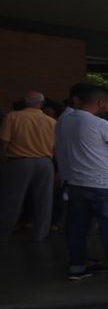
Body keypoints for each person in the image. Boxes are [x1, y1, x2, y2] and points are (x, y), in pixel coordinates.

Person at [56, 82, 108, 281]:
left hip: (76, 183)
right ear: (100, 102)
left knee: (77, 227)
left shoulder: (64, 120)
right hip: (104, 184)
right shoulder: (100, 123)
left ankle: (77, 266)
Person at [0, 91, 57, 242]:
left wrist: (2, 159)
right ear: (42, 104)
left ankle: (3, 232)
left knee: (11, 199)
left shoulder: (13, 116)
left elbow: (4, 142)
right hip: (45, 163)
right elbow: (56, 147)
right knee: (44, 200)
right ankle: (40, 235)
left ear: (25, 102)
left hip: (19, 162)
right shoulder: (51, 121)